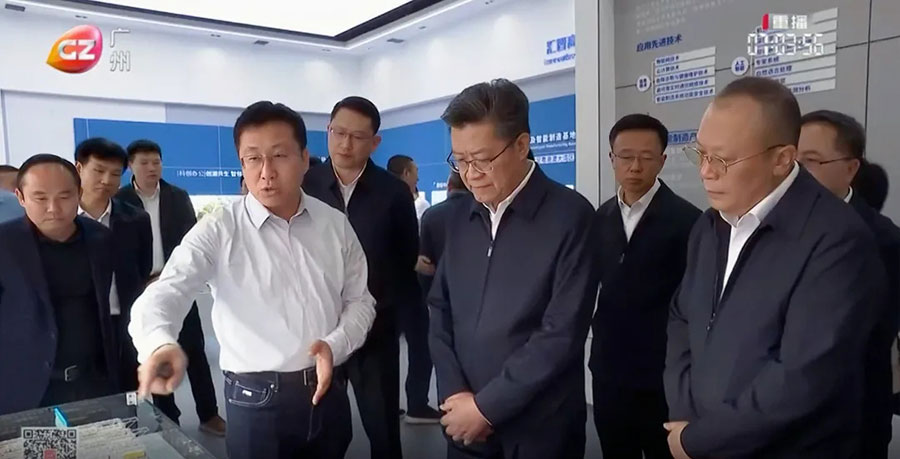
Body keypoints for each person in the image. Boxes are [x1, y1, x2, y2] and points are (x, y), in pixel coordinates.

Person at [129, 101, 376, 459]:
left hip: (329, 387)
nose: (266, 172)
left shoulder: (334, 224)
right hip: (256, 400)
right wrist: (158, 343)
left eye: (279, 156)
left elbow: (360, 301)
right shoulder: (219, 228)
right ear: (242, 164)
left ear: (304, 159)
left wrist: (334, 345)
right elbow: (167, 292)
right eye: (253, 159)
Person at [664, 76, 886, 458]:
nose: (705, 172)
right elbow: (683, 317)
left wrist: (700, 440)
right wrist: (686, 413)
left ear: (782, 159)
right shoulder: (709, 225)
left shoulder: (837, 241)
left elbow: (802, 377)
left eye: (722, 159)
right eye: (701, 153)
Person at [429, 79, 599, 459]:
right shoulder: (459, 218)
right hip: (465, 425)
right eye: (460, 160)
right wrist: (455, 395)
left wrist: (487, 408)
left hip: (540, 428)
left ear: (521, 145)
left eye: (482, 159)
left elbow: (561, 333)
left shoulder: (570, 217)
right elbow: (440, 310)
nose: (470, 174)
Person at [303, 96, 419, 458]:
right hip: (318, 331)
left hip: (375, 332)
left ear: (375, 142)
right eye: (338, 133)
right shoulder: (305, 184)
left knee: (383, 430)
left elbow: (405, 260)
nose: (345, 144)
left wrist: (382, 312)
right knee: (322, 431)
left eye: (357, 137)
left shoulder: (394, 193)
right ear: (328, 130)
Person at [591, 114, 700, 459]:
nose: (635, 166)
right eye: (625, 156)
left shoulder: (689, 221)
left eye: (646, 157)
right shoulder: (599, 219)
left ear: (662, 160)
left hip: (662, 374)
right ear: (612, 158)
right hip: (609, 369)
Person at [798, 110, 900, 459]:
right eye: (791, 160)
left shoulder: (881, 240)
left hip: (849, 420)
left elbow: (868, 339)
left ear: (851, 168)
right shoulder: (773, 227)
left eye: (811, 161)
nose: (796, 172)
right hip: (777, 422)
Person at [115, 139, 226, 435]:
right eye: (144, 163)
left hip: (178, 283)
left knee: (195, 351)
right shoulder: (121, 200)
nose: (152, 168)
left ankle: (209, 414)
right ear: (131, 166)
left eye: (156, 162)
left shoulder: (178, 196)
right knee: (157, 351)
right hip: (141, 288)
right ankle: (169, 419)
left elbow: (191, 239)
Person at [0, 154, 119, 415]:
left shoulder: (100, 238)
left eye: (64, 196)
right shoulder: (5, 244)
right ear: (20, 197)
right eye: (40, 198)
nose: (53, 208)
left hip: (93, 383)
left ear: (79, 194)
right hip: (26, 389)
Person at [74, 138, 153, 393]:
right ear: (79, 168)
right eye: (98, 171)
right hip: (80, 323)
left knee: (129, 390)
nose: (107, 180)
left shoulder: (136, 219)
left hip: (124, 320)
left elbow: (142, 268)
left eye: (115, 174)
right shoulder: (64, 219)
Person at [386, 153, 442, 424]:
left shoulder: (385, 197)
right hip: (405, 288)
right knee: (420, 345)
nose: (418, 175)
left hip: (388, 289)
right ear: (406, 173)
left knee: (389, 350)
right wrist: (414, 261)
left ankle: (388, 405)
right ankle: (417, 405)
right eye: (415, 170)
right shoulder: (398, 199)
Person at [416, 171, 470, 286]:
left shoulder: (431, 215)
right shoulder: (481, 214)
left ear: (449, 186)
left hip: (439, 286)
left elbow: (425, 262)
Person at [388, 154, 432, 221]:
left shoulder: (379, 204)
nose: (417, 178)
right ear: (406, 173)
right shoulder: (420, 205)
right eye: (416, 172)